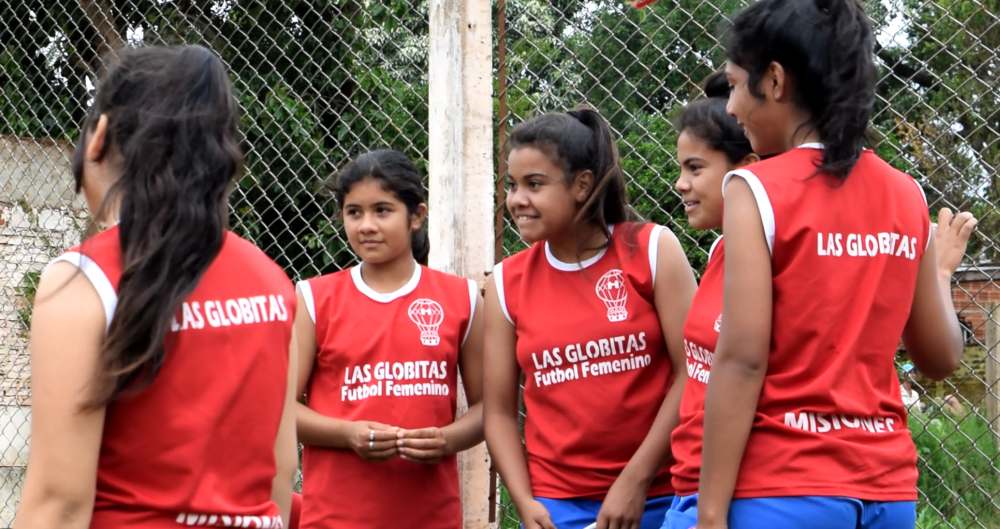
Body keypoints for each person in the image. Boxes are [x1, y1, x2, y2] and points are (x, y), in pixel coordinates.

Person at [662, 1, 973, 527]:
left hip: (781, 489)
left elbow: (742, 360)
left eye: (737, 85)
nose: (732, 108)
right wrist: (938, 275)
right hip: (887, 493)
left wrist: (710, 513)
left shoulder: (754, 188)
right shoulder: (906, 195)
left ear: (776, 81)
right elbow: (940, 358)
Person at [13, 45, 298, 529]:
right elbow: (281, 472)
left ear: (99, 134)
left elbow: (59, 503)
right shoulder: (272, 278)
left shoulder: (85, 279)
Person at [484, 106, 698, 529]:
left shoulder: (652, 250)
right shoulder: (507, 283)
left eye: (535, 184)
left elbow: (694, 372)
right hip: (557, 505)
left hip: (660, 492)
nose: (517, 200)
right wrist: (526, 502)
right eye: (512, 185)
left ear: (582, 185)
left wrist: (634, 480)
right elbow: (499, 413)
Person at [294, 149, 485, 528]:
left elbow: (489, 411)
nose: (366, 225)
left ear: (416, 216)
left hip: (431, 516)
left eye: (382, 210)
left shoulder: (461, 297)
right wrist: (347, 433)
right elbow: (281, 410)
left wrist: (446, 440)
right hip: (335, 517)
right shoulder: (314, 298)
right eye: (354, 212)